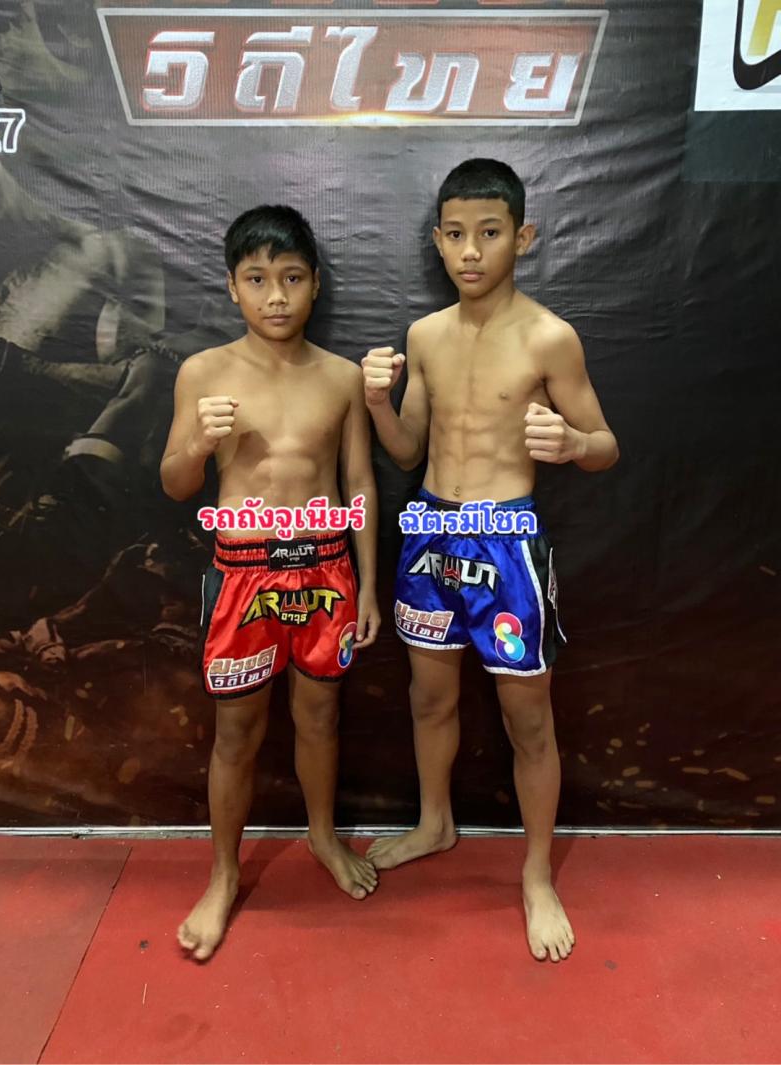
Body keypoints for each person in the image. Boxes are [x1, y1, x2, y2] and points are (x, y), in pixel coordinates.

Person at [362, 159, 619, 963]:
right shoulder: (425, 336)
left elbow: (606, 444)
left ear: (523, 236)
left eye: (489, 232)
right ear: (437, 240)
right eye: (455, 234)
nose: (470, 251)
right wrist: (376, 402)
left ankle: (537, 874)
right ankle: (435, 821)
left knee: (528, 718)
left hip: (505, 541)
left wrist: (572, 443)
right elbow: (407, 448)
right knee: (429, 698)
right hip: (431, 533)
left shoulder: (549, 337)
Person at [161, 205, 380, 961]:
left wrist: (369, 585)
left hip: (326, 568)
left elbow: (360, 483)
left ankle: (321, 836)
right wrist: (199, 441)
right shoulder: (203, 372)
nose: (276, 295)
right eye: (257, 279)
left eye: (291, 278)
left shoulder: (342, 377)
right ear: (232, 287)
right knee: (236, 732)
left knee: (320, 718)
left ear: (315, 283)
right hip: (243, 572)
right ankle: (223, 874)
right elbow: (175, 482)